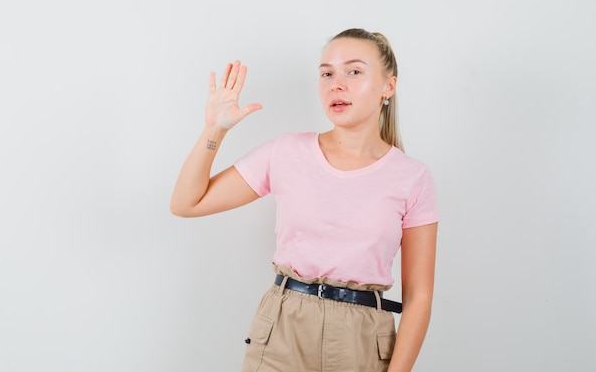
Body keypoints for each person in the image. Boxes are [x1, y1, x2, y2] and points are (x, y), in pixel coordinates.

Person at [170, 28, 439, 372]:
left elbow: (419, 297)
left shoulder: (412, 177)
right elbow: (186, 203)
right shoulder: (286, 152)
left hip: (361, 338)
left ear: (388, 86)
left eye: (353, 71)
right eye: (327, 73)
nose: (336, 84)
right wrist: (215, 130)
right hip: (283, 329)